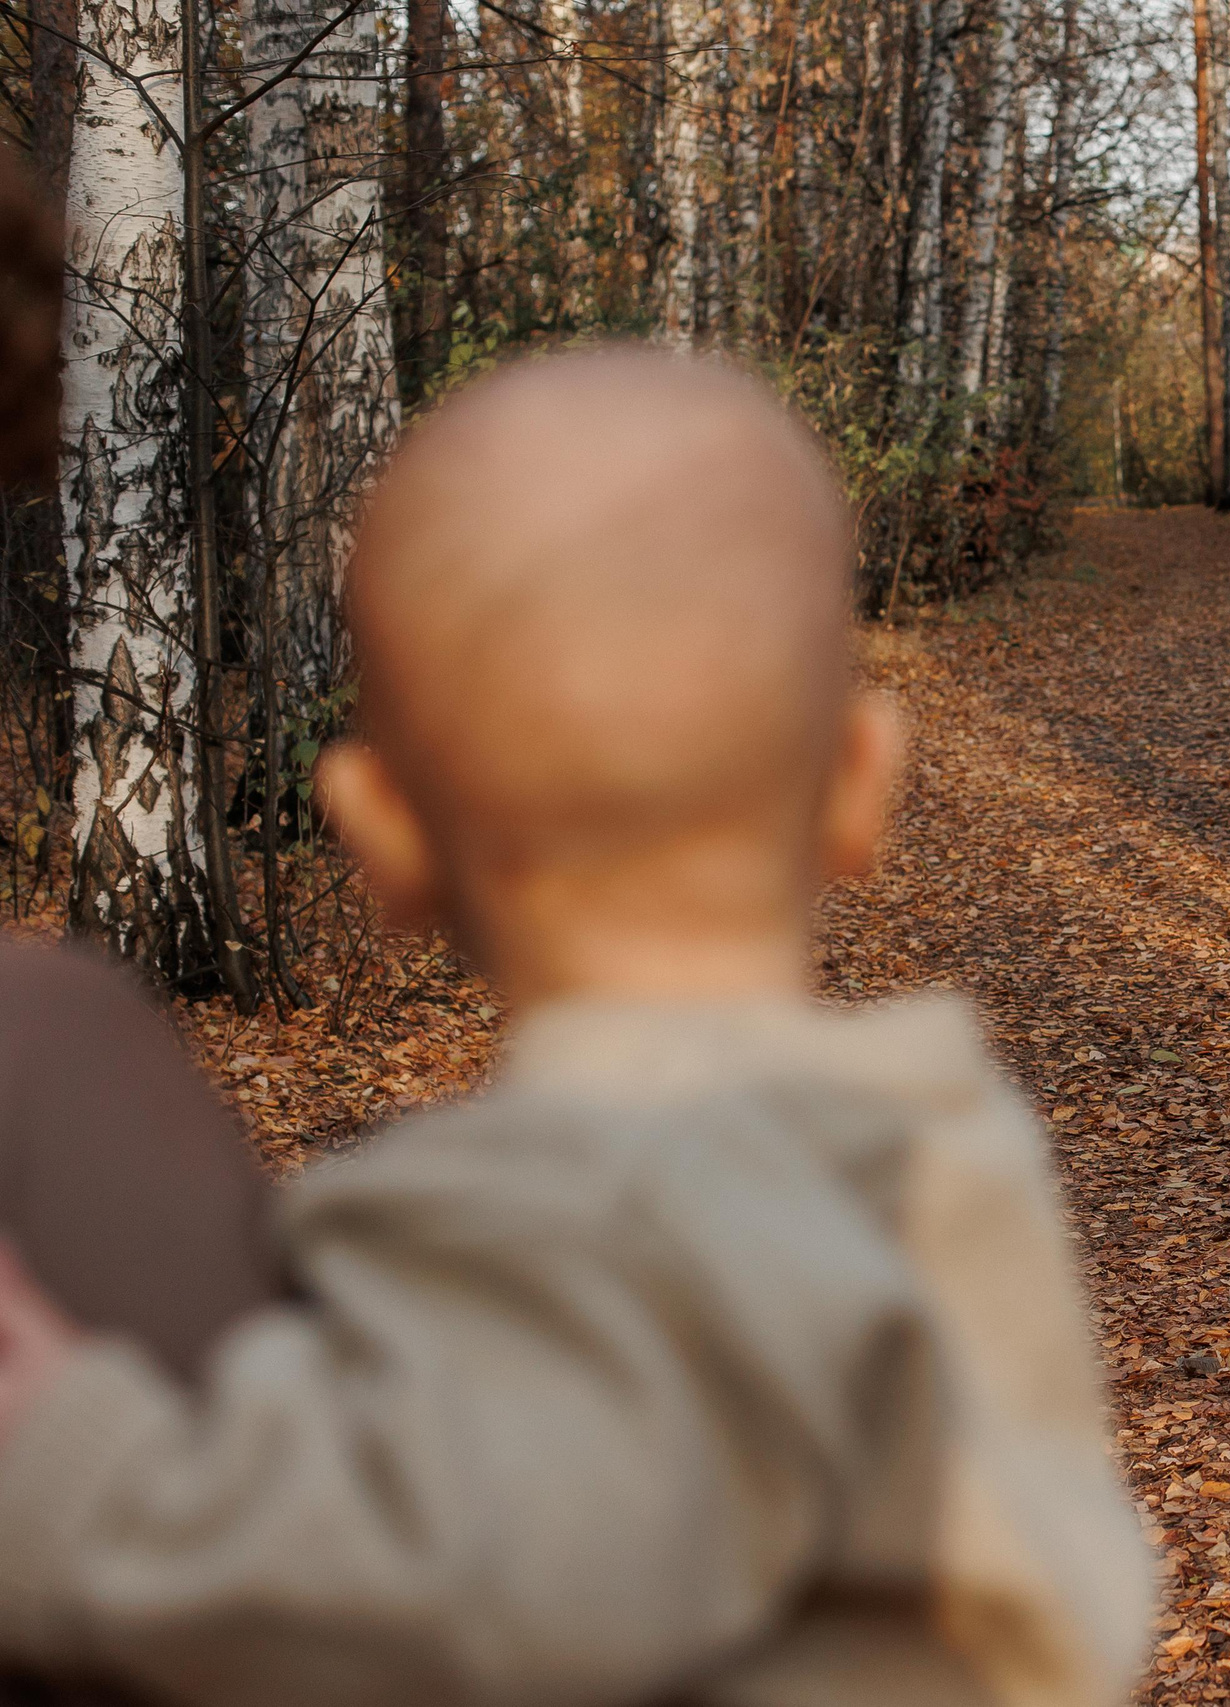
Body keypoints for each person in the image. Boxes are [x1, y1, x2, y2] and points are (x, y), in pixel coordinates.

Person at [0, 346, 1155, 1707]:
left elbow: (434, 1591)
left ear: (381, 843)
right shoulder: (932, 1149)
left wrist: (77, 1471)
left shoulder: (608, 1203)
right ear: (861, 782)